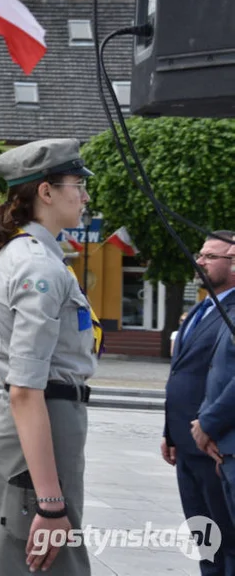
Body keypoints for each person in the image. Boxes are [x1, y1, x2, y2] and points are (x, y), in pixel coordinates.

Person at [0, 138, 100, 575]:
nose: (85, 196)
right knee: (46, 561)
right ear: (46, 192)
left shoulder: (31, 256)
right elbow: (27, 391)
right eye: (78, 185)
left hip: (38, 424)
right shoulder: (39, 267)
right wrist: (49, 501)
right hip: (41, 421)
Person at [167, 232, 235, 575]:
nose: (200, 261)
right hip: (186, 445)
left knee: (225, 542)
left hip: (213, 444)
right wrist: (170, 432)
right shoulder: (202, 308)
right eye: (201, 254)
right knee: (205, 540)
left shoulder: (230, 312)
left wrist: (209, 425)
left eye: (211, 256)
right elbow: (183, 374)